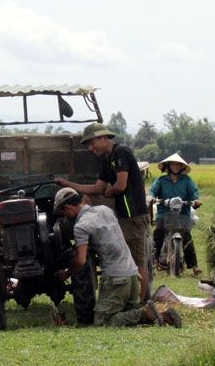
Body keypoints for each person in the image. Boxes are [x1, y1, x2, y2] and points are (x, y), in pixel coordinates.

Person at [54, 187, 181, 328]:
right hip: (133, 277)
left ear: (67, 208)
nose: (65, 216)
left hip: (117, 281)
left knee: (103, 322)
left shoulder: (81, 226)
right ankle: (162, 316)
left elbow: (81, 260)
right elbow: (107, 236)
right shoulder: (105, 210)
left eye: (63, 212)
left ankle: (146, 313)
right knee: (126, 318)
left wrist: (66, 274)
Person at [55, 123, 151, 301]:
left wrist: (109, 191)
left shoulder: (121, 152)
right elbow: (96, 187)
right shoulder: (108, 160)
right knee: (127, 258)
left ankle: (144, 304)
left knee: (138, 263)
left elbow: (120, 186)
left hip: (134, 216)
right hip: (123, 216)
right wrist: (68, 185)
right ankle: (136, 300)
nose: (91, 148)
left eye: (92, 143)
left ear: (104, 138)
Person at [149, 153, 203, 276]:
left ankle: (194, 266)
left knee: (187, 237)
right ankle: (154, 262)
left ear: (181, 167)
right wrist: (151, 197)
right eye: (173, 164)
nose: (175, 166)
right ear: (168, 166)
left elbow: (194, 194)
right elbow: (152, 191)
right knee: (158, 233)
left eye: (178, 164)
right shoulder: (161, 180)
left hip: (182, 214)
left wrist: (196, 200)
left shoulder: (187, 181)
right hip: (164, 213)